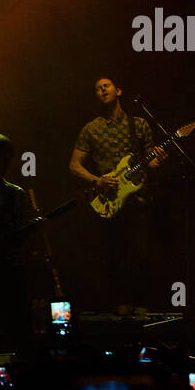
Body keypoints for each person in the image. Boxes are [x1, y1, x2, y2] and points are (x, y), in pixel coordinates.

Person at [68, 77, 168, 314]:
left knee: (141, 255)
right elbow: (73, 165)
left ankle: (141, 305)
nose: (101, 89)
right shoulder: (91, 129)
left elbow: (150, 162)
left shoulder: (140, 124)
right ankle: (120, 306)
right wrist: (97, 180)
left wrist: (160, 159)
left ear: (119, 90)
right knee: (115, 256)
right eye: (97, 88)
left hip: (138, 198)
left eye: (106, 85)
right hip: (109, 199)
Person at [0, 135, 36, 349]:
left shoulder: (15, 194)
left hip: (6, 270)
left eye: (7, 159)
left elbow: (24, 237)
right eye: (0, 158)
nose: (5, 164)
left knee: (16, 326)